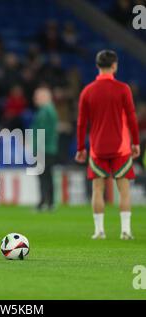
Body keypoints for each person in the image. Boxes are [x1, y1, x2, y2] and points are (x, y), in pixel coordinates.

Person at [75, 50, 140, 240]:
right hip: (121, 147)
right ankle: (125, 230)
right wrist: (136, 142)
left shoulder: (88, 91)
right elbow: (132, 118)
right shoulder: (123, 89)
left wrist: (81, 148)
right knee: (124, 190)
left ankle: (99, 231)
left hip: (97, 148)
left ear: (97, 66)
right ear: (114, 66)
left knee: (97, 189)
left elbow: (81, 122)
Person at [32, 87, 58, 211]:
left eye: (37, 96)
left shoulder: (45, 111)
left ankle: (44, 202)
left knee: (43, 176)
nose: (35, 99)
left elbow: (42, 131)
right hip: (49, 148)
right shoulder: (50, 110)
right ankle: (50, 202)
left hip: (44, 149)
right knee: (48, 175)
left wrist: (36, 146)